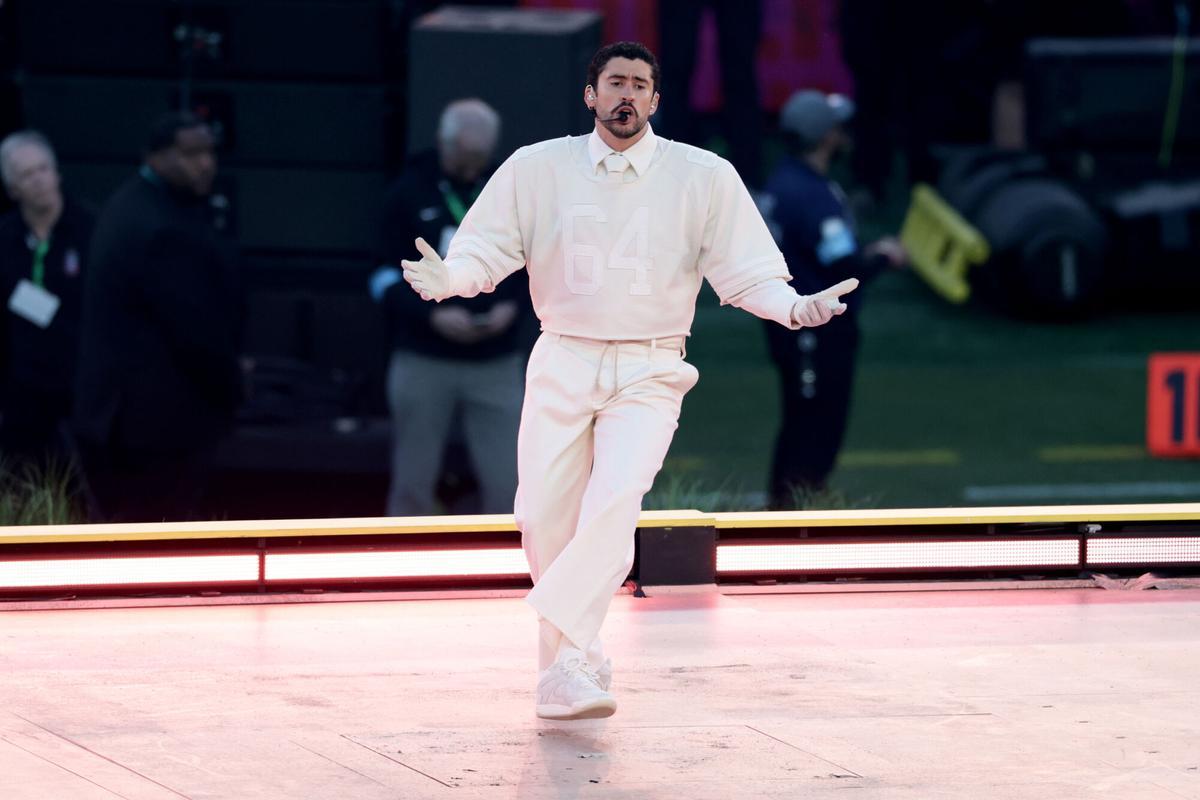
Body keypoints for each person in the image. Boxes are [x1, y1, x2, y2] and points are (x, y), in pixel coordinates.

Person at [400, 42, 856, 721]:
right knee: (543, 517)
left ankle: (564, 666)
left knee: (615, 500)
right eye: (616, 82)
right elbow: (486, 249)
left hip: (650, 364)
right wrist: (452, 281)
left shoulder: (702, 174)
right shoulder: (537, 166)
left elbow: (747, 268)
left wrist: (794, 309)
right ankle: (573, 656)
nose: (628, 95)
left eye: (641, 85)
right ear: (591, 94)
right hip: (564, 357)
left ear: (656, 100)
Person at [73, 112, 243, 522]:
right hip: (149, 428)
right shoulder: (160, 226)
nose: (205, 162)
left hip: (124, 418)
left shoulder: (132, 204)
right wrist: (233, 385)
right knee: (154, 544)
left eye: (209, 152)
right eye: (191, 153)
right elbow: (192, 330)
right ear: (156, 157)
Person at [371, 99, 532, 516]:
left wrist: (512, 309)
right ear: (444, 145)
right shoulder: (407, 192)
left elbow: (535, 262)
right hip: (424, 357)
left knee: (508, 481)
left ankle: (507, 564)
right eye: (464, 158)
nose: (470, 169)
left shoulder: (505, 188)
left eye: (479, 159)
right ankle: (403, 566)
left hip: (495, 361)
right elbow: (380, 276)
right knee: (413, 476)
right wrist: (431, 314)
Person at [759, 90, 907, 509]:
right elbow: (843, 268)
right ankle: (792, 516)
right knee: (816, 425)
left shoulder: (785, 182)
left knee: (800, 422)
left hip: (792, 327)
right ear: (825, 137)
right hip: (816, 333)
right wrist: (883, 256)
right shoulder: (810, 194)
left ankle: (784, 508)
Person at [0, 131, 93, 468]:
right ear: (13, 189)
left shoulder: (90, 230)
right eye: (27, 174)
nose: (38, 180)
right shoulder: (5, 238)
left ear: (57, 172)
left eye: (43, 169)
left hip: (78, 386)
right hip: (20, 391)